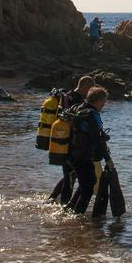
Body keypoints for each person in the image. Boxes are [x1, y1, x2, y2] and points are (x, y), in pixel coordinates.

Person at [48, 75, 96, 204]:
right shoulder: (75, 101)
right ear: (84, 85)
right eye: (90, 89)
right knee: (70, 178)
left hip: (66, 143)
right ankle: (63, 208)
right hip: (70, 145)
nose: (90, 93)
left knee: (69, 175)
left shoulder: (67, 96)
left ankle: (52, 199)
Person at [67, 87, 114, 214]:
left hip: (71, 154)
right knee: (88, 189)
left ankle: (69, 209)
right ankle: (76, 219)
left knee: (87, 183)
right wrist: (108, 159)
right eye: (103, 103)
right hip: (83, 157)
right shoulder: (90, 115)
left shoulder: (78, 108)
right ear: (98, 101)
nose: (103, 106)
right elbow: (97, 139)